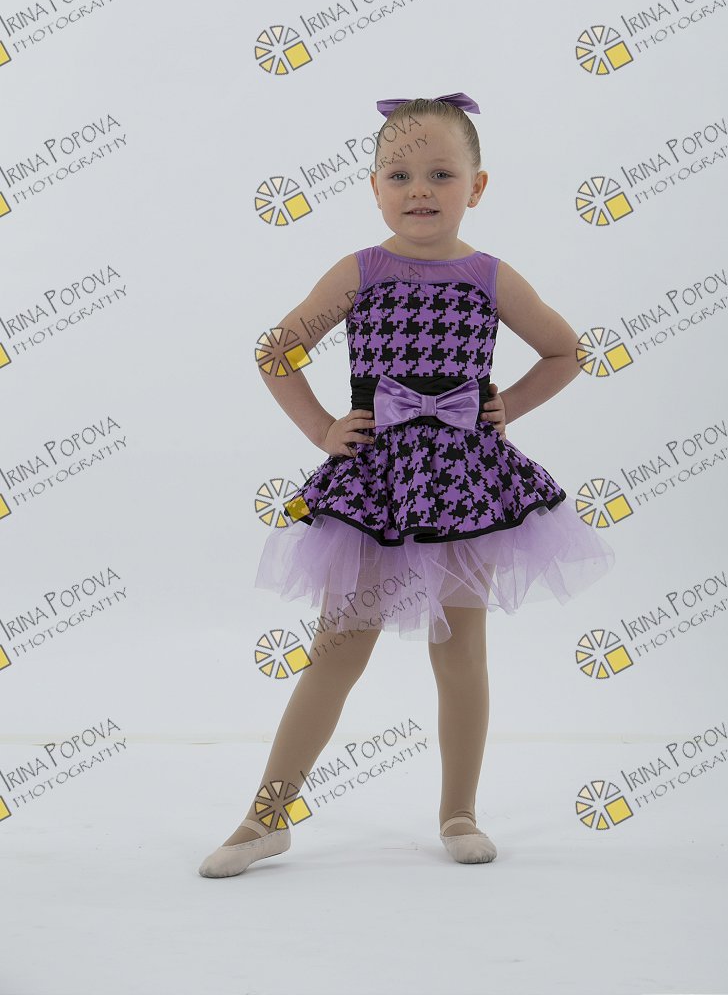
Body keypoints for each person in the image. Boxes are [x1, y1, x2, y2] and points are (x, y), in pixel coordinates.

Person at [198, 92, 615, 878]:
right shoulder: (362, 271)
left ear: (476, 187)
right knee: (336, 649)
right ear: (374, 187)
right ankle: (266, 817)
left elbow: (565, 350)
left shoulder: (490, 277)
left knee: (460, 651)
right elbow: (277, 350)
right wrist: (322, 428)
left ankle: (460, 811)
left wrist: (507, 407)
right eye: (399, 175)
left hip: (464, 484)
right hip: (374, 485)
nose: (419, 190)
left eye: (440, 174)